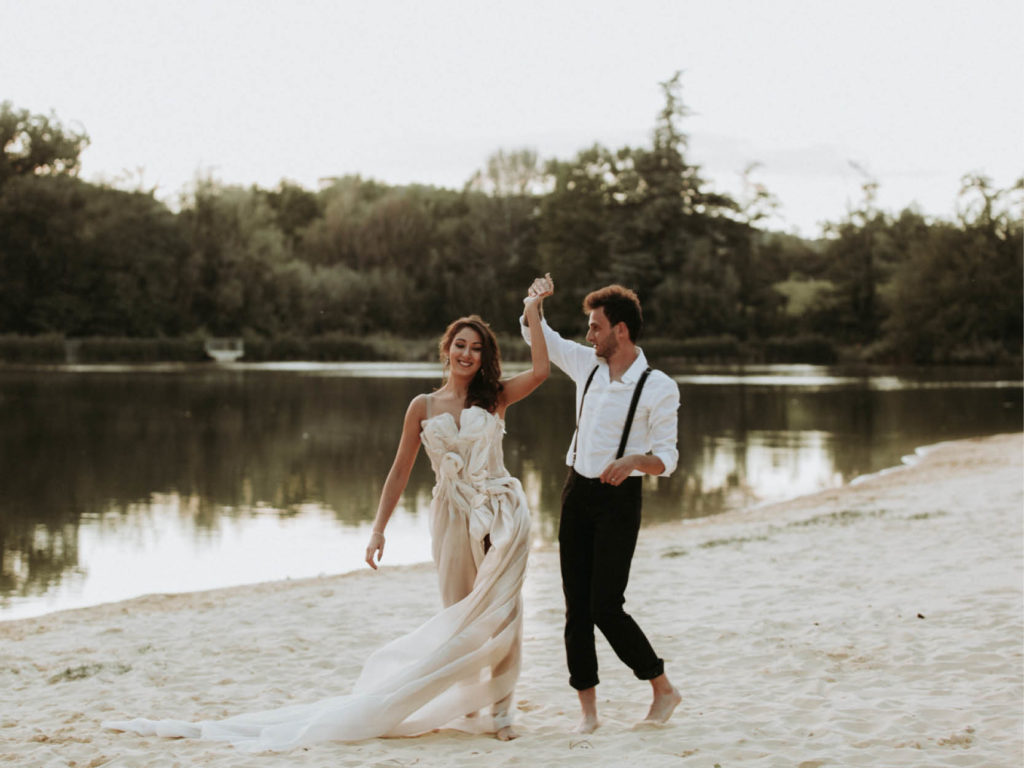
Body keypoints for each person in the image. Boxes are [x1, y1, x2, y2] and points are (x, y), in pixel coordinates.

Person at [103, 285, 552, 751]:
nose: (467, 354)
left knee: (503, 614)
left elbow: (541, 370)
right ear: (446, 349)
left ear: (485, 358)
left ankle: (501, 712)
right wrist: (378, 530)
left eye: (477, 348)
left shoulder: (494, 397)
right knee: (459, 617)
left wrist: (532, 312)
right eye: (460, 344)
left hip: (499, 513)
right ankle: (470, 706)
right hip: (451, 519)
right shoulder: (422, 406)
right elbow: (399, 471)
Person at [520, 278, 682, 734]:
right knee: (576, 609)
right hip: (576, 494)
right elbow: (540, 338)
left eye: (596, 327)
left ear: (621, 331)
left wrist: (633, 461)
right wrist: (533, 305)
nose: (589, 336)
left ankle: (662, 687)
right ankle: (588, 714)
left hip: (619, 501)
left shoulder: (658, 387)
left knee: (606, 606)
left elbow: (668, 459)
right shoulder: (586, 365)